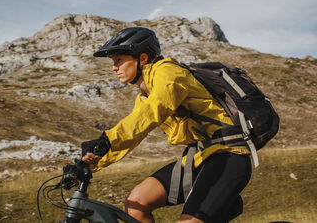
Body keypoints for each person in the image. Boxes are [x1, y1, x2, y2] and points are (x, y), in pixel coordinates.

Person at [81, 27, 252, 223]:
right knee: (136, 202)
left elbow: (157, 108)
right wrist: (91, 163)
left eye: (118, 60)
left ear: (142, 58)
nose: (114, 67)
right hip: (198, 157)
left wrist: (107, 140)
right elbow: (134, 132)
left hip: (228, 155)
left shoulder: (168, 72)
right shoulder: (144, 97)